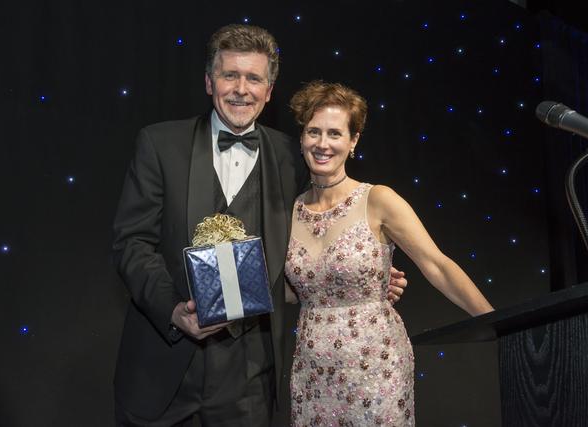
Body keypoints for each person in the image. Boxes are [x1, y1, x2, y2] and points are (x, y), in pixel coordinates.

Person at [112, 25, 407, 427]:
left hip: (250, 376)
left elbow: (320, 227)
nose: (241, 89)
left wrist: (358, 275)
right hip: (162, 366)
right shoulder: (159, 144)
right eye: (229, 75)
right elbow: (131, 243)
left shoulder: (293, 157)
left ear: (269, 91)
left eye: (254, 78)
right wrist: (174, 311)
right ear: (209, 82)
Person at [285, 81, 494, 426]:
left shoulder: (378, 200)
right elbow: (288, 291)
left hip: (376, 367)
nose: (323, 144)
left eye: (335, 133)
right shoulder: (290, 212)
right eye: (314, 132)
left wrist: (498, 324)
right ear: (302, 138)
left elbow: (437, 265)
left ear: (353, 141)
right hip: (312, 371)